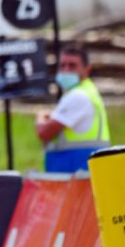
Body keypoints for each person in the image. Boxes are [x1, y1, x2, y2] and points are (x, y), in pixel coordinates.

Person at [36, 45, 110, 173]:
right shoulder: (86, 91)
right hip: (78, 171)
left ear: (87, 70)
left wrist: (40, 117)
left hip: (75, 171)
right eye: (62, 65)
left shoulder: (78, 96)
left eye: (72, 65)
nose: (66, 70)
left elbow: (44, 132)